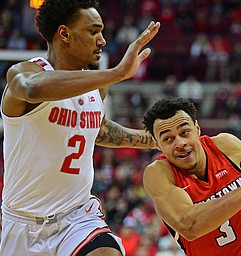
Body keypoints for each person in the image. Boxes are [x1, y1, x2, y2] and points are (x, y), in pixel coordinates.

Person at [0, 0, 160, 255]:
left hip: (77, 218)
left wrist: (154, 140)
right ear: (65, 34)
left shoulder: (96, 85)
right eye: (93, 31)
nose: (102, 40)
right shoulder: (25, 73)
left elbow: (99, 130)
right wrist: (118, 72)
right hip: (22, 223)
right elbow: (32, 89)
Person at [142, 96, 241, 256]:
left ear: (197, 129)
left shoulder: (225, 146)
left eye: (185, 132)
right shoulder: (158, 174)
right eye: (168, 139)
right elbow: (189, 225)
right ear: (157, 144)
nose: (180, 143)